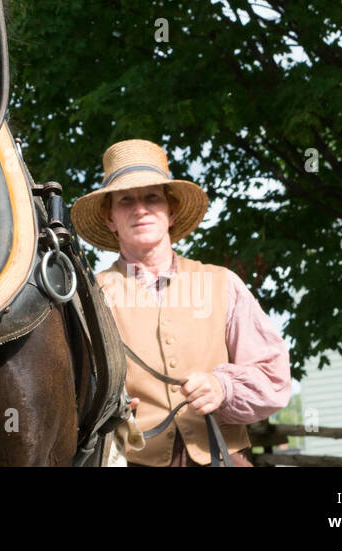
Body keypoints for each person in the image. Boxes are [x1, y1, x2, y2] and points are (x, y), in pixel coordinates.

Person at [71, 140, 291, 467]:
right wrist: (103, 406)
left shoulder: (223, 283)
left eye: (152, 197)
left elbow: (274, 375)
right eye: (126, 200)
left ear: (170, 211)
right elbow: (67, 390)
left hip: (224, 457)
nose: (140, 209)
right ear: (110, 219)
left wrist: (223, 387)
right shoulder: (89, 297)